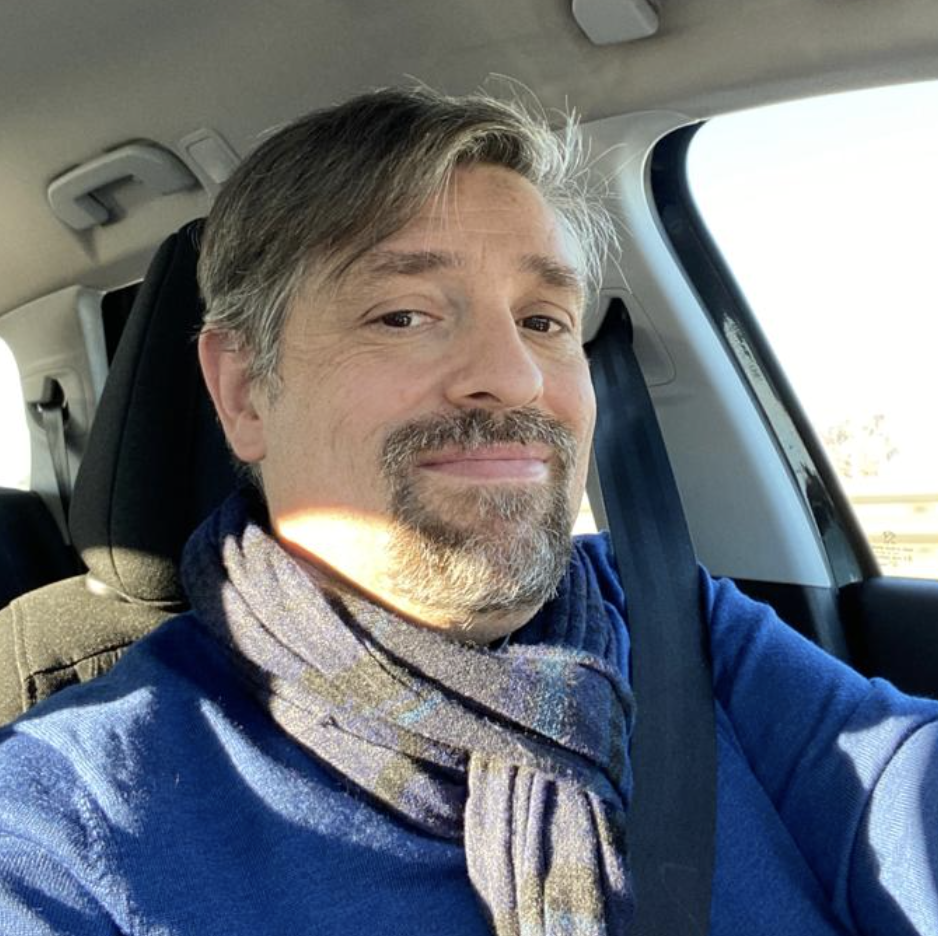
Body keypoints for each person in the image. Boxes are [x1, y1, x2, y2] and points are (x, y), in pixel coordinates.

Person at [0, 87, 935, 936]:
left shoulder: (671, 619)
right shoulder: (69, 820)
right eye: (403, 315)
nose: (516, 377)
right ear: (244, 392)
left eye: (543, 321)